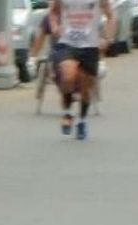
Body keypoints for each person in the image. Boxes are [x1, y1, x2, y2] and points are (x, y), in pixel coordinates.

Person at [49, 0, 114, 140]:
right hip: (67, 43)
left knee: (85, 88)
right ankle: (68, 113)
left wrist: (106, 38)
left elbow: (110, 16)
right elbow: (53, 11)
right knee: (68, 76)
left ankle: (82, 121)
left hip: (90, 45)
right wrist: (55, 27)